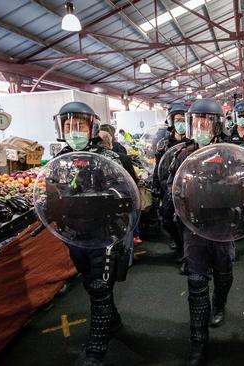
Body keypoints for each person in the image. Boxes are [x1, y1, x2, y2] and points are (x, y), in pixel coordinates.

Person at [52, 102, 139, 366]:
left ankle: (95, 350)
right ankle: (112, 321)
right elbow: (50, 194)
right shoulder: (58, 161)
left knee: (101, 286)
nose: (74, 131)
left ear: (92, 128)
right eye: (69, 126)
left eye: (80, 126)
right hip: (75, 236)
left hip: (105, 234)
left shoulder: (111, 159)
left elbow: (127, 193)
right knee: (91, 284)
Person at [166, 99, 233, 366]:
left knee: (224, 272)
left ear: (217, 125)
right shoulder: (181, 154)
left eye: (207, 122)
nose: (201, 127)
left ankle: (219, 304)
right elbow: (170, 186)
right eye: (197, 122)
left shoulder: (231, 151)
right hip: (194, 225)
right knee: (195, 281)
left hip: (223, 224)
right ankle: (198, 341)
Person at [154, 102, 189, 264]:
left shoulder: (192, 142)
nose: (180, 123)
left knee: (186, 222)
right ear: (171, 121)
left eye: (184, 119)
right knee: (167, 219)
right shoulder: (164, 144)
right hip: (169, 187)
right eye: (178, 120)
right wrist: (156, 186)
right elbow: (158, 167)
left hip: (188, 189)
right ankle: (178, 241)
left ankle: (185, 254)